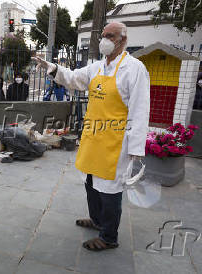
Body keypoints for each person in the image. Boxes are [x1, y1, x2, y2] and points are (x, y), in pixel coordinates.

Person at [33, 22, 150, 251]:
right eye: (103, 35)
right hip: (93, 137)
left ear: (123, 40)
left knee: (110, 189)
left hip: (116, 143)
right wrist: (53, 68)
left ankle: (108, 237)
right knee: (91, 183)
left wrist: (136, 148)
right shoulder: (96, 67)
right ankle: (97, 221)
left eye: (110, 35)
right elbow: (74, 78)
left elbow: (140, 109)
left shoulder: (134, 68)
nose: (104, 39)